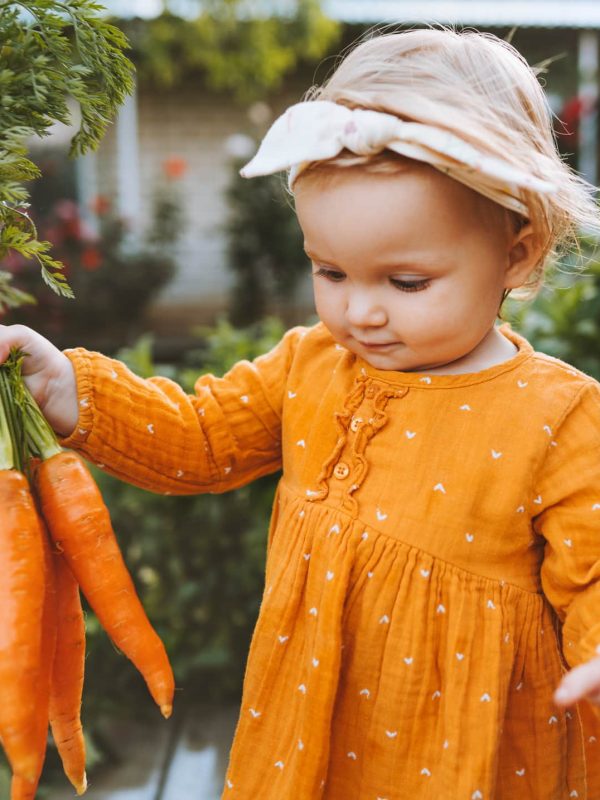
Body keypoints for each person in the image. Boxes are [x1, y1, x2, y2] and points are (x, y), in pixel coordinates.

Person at [2, 26, 600, 800]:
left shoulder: (558, 415)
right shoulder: (312, 363)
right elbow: (198, 438)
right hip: (306, 736)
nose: (360, 310)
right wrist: (69, 391)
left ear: (517, 252)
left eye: (405, 282)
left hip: (465, 755)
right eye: (330, 270)